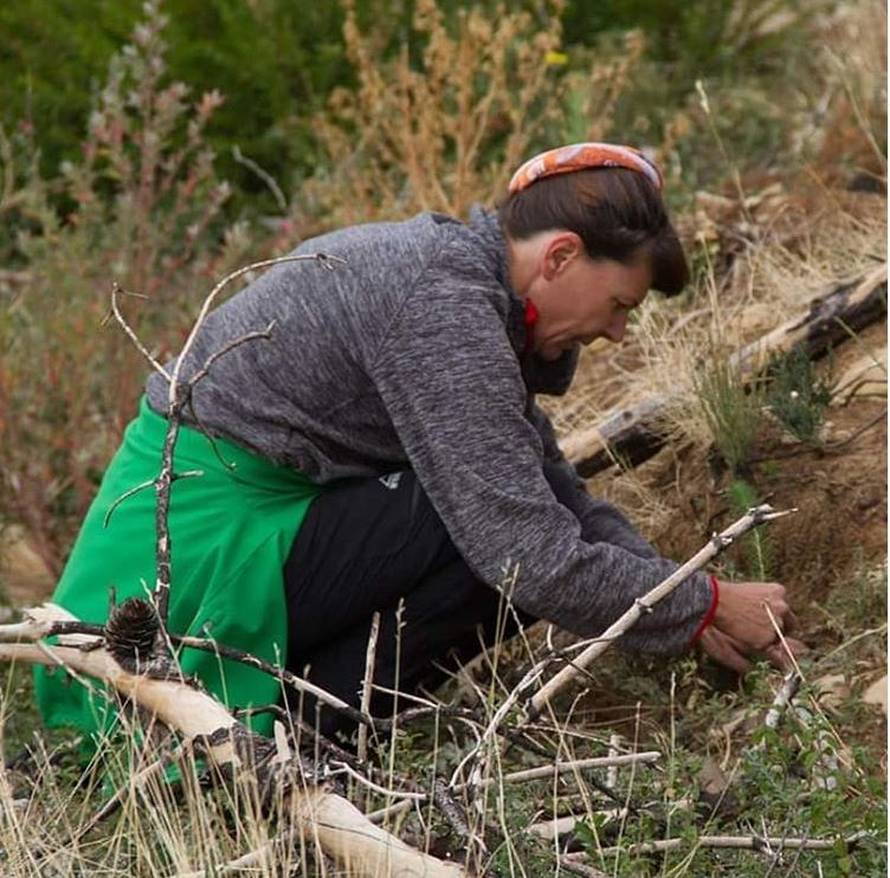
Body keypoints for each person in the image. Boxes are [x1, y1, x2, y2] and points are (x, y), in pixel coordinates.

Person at [36, 143, 804, 741]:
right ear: (562, 256)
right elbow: (529, 557)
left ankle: (284, 738)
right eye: (617, 304)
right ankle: (282, 753)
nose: (615, 330)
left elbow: (552, 491)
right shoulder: (440, 309)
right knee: (484, 544)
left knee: (491, 518)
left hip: (227, 529)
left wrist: (687, 598)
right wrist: (698, 606)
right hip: (181, 562)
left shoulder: (462, 288)